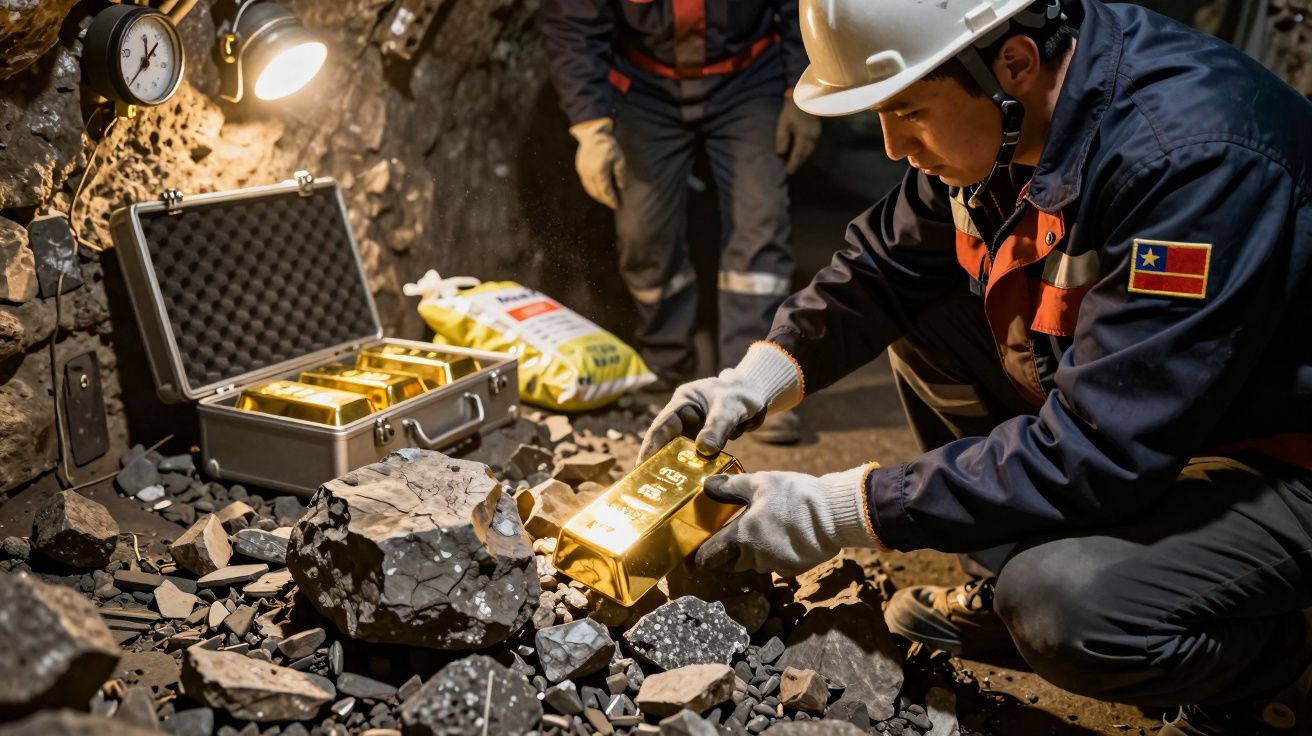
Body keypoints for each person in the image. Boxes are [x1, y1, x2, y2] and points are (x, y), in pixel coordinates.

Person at [639, 0, 1312, 732]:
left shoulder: (1189, 160)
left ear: (1014, 64)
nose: (895, 148)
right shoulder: (1012, 111)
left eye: (908, 113)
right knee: (927, 314)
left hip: (1286, 456)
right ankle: (1012, 572)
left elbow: (1102, 451)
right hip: (1173, 411)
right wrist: (758, 377)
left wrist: (839, 510)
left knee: (1062, 602)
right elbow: (883, 269)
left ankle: (1266, 671)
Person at [541, 0, 823, 443]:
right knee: (644, 234)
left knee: (760, 224)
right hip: (644, 88)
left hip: (748, 80)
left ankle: (753, 387)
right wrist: (591, 127)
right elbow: (573, 23)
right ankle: (666, 368)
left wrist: (800, 91)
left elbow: (800, 6)